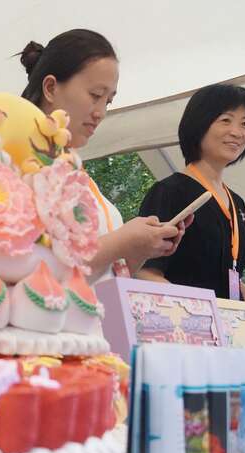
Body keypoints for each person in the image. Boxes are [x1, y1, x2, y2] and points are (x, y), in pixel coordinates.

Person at [19, 29, 188, 280]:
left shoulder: (74, 171)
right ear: (51, 88)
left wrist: (140, 248)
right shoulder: (16, 161)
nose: (100, 112)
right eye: (95, 95)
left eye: (107, 101)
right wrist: (122, 240)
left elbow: (103, 274)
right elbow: (32, 267)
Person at [135, 84, 245, 302]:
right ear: (199, 124)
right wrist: (199, 312)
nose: (237, 132)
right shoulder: (170, 192)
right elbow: (146, 272)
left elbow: (229, 278)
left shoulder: (237, 203)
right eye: (226, 120)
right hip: (183, 320)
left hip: (226, 321)